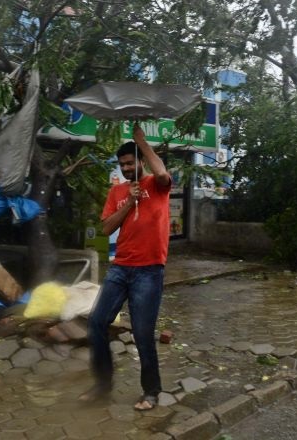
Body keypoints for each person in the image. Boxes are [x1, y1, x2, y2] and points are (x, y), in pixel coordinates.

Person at [80, 123, 172, 410]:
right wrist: (127, 201)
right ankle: (102, 385)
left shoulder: (157, 186)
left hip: (149, 270)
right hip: (120, 268)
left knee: (142, 333)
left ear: (140, 161)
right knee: (96, 323)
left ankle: (151, 392)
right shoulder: (117, 191)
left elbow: (162, 173)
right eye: (122, 165)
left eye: (131, 163)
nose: (126, 168)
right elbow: (107, 228)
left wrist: (142, 142)